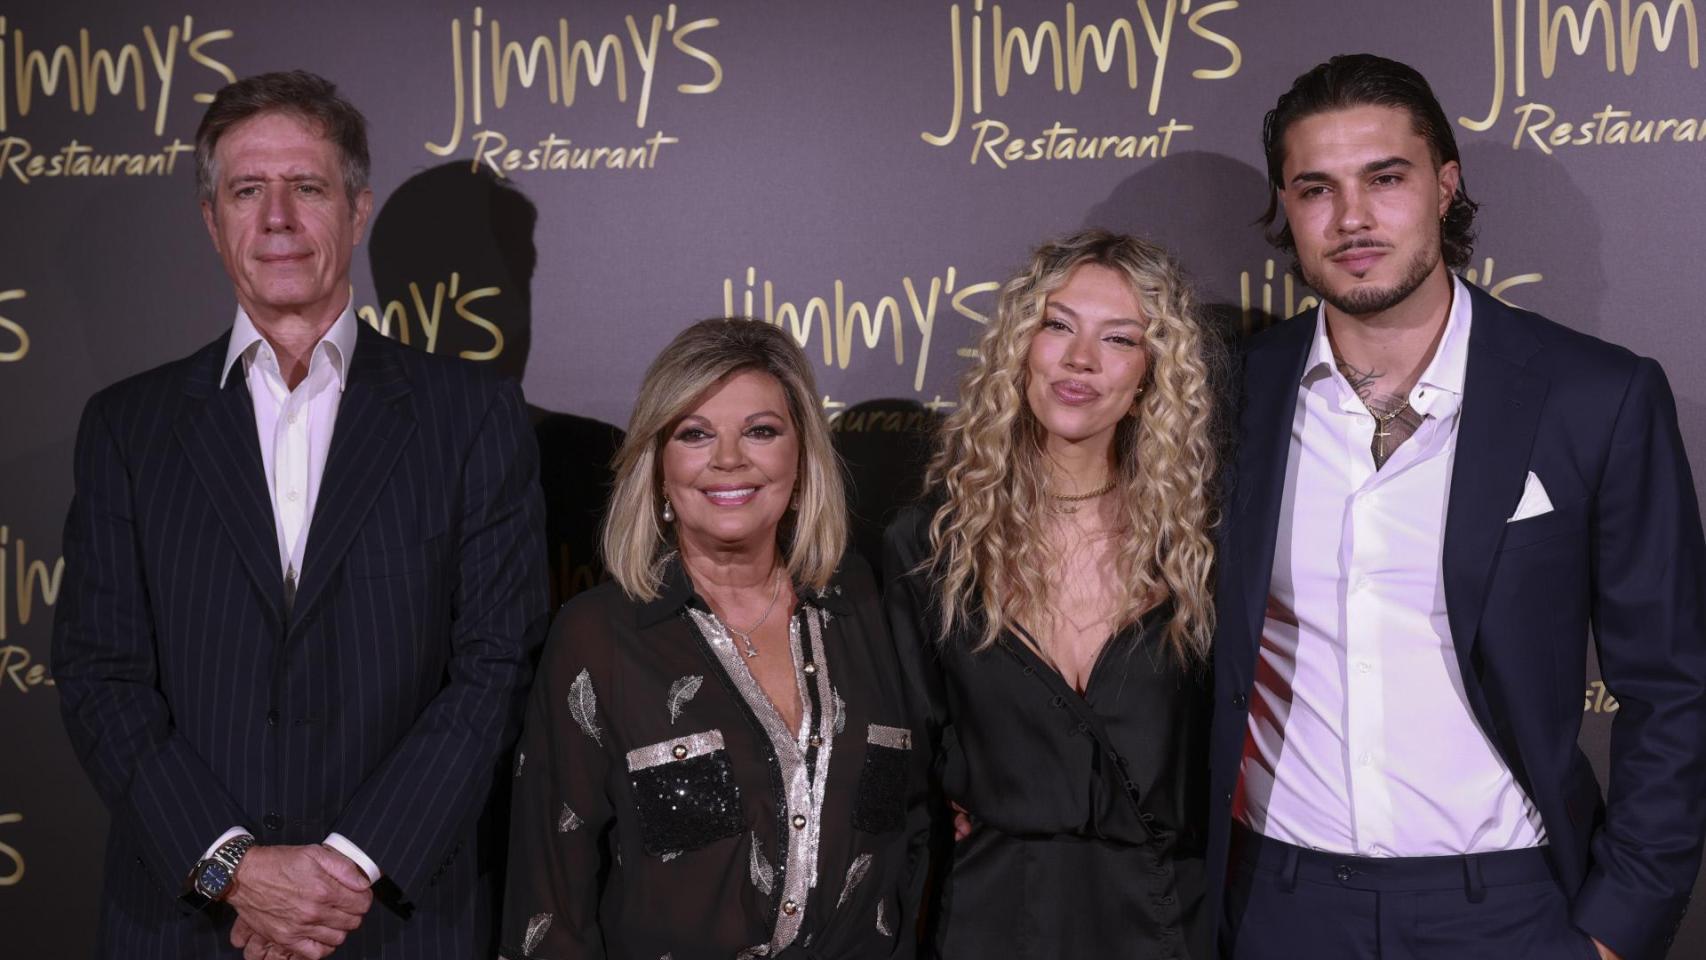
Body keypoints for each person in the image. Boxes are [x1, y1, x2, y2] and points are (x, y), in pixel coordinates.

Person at [1210, 54, 1706, 960]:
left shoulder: (1596, 395)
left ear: (1446, 185)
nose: (1352, 217)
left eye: (1385, 178)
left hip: (1511, 907)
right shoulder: (1231, 395)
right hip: (1278, 905)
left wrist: (1618, 926)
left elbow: (1671, 685)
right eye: (1315, 188)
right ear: (1287, 208)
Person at [52, 71, 548, 960]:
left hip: (394, 920)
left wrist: (351, 867)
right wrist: (233, 868)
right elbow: (99, 675)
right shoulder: (127, 428)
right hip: (190, 923)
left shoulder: (471, 418)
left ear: (355, 211)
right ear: (213, 221)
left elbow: (497, 666)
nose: (277, 217)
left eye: (307, 187)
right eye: (248, 190)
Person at [501, 318, 924, 959]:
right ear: (659, 468)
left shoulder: (864, 604)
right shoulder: (598, 637)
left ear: (801, 457)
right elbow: (549, 900)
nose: (729, 458)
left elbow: (914, 835)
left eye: (761, 430)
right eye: (695, 434)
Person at [884, 228, 1225, 959]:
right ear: (1020, 349)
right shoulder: (932, 547)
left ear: (1151, 378)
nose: (1080, 360)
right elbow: (904, 772)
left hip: (1169, 926)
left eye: (1119, 339)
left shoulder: (1204, 552)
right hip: (990, 918)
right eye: (1057, 326)